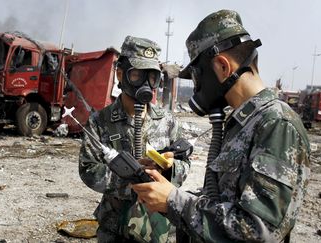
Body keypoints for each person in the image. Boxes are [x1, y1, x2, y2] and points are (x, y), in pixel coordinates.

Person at [132, 9, 310, 242]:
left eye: (197, 76)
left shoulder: (277, 124)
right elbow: (225, 200)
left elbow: (258, 231)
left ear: (222, 67)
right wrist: (169, 191)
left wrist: (173, 201)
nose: (197, 88)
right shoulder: (243, 122)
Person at [79, 36, 190, 242]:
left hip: (158, 227)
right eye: (138, 75)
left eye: (152, 77)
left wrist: (169, 169)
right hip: (116, 226)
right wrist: (128, 178)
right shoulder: (100, 121)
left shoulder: (167, 121)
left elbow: (184, 163)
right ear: (121, 74)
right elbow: (88, 169)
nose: (146, 84)